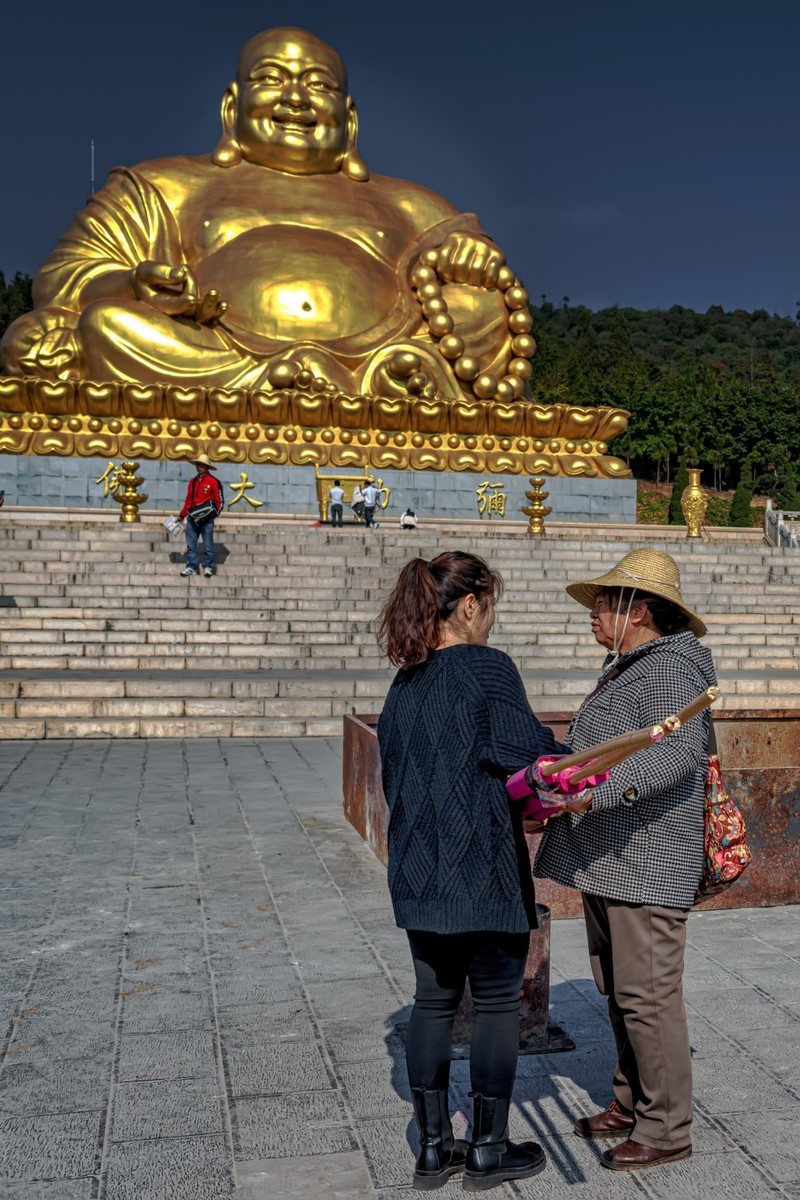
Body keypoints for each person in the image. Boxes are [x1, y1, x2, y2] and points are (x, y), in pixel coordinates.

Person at [2, 27, 522, 404]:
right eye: (272, 79)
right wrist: (134, 282)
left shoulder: (411, 201)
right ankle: (340, 388)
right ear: (233, 107)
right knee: (103, 325)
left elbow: (480, 271)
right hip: (211, 356)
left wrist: (466, 257)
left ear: (350, 119)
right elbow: (60, 281)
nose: (296, 98)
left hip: (380, 351)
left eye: (319, 85)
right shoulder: (162, 183)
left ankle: (370, 379)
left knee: (485, 312)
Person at [376, 551, 579, 1192]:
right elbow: (527, 749)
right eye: (491, 607)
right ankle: (488, 1148)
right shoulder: (487, 668)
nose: (492, 622)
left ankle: (434, 1150)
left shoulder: (404, 681)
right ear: (470, 605)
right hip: (481, 867)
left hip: (417, 869)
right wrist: (579, 760)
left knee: (431, 1003)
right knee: (494, 1003)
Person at [534, 548, 716, 1173]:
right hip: (613, 856)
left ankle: (666, 1128)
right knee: (619, 989)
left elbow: (674, 756)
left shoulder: (670, 669)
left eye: (605, 604)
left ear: (638, 611)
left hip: (646, 857)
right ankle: (630, 1101)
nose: (594, 615)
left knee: (648, 996)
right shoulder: (634, 664)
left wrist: (590, 792)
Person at [178, 455, 224, 577]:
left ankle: (208, 567)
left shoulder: (214, 482)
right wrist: (182, 515)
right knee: (191, 545)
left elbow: (219, 501)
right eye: (198, 465)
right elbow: (188, 500)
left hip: (207, 519)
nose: (200, 467)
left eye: (203, 465)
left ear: (207, 467)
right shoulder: (192, 482)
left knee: (208, 545)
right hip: (192, 518)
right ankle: (191, 567)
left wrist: (214, 515)